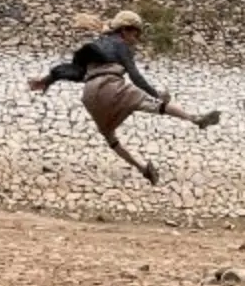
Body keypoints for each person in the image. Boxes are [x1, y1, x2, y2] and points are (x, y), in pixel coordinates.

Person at [30, 10, 220, 185]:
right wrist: (156, 94)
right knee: (155, 105)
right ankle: (195, 119)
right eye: (135, 34)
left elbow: (69, 70)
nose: (135, 39)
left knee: (110, 137)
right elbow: (135, 76)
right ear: (125, 31)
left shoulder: (95, 48)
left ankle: (143, 169)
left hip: (90, 94)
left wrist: (46, 80)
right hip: (110, 86)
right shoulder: (120, 45)